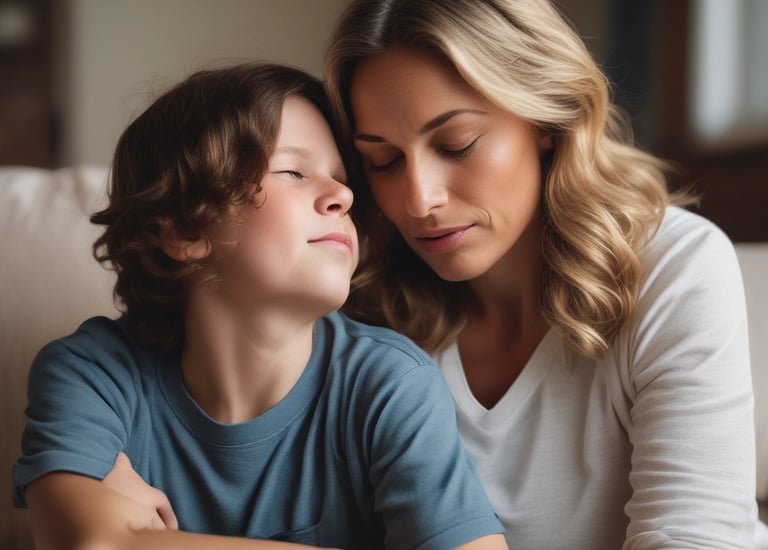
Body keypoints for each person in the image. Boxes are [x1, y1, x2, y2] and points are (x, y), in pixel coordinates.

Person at [322, 0, 766, 548]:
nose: (419, 199)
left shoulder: (673, 268)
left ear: (546, 120)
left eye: (456, 144)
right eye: (384, 161)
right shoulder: (367, 311)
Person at [12, 62, 508, 550]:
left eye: (341, 178)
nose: (342, 195)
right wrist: (118, 539)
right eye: (293, 171)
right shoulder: (91, 372)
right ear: (184, 230)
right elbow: (93, 545)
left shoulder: (391, 384)